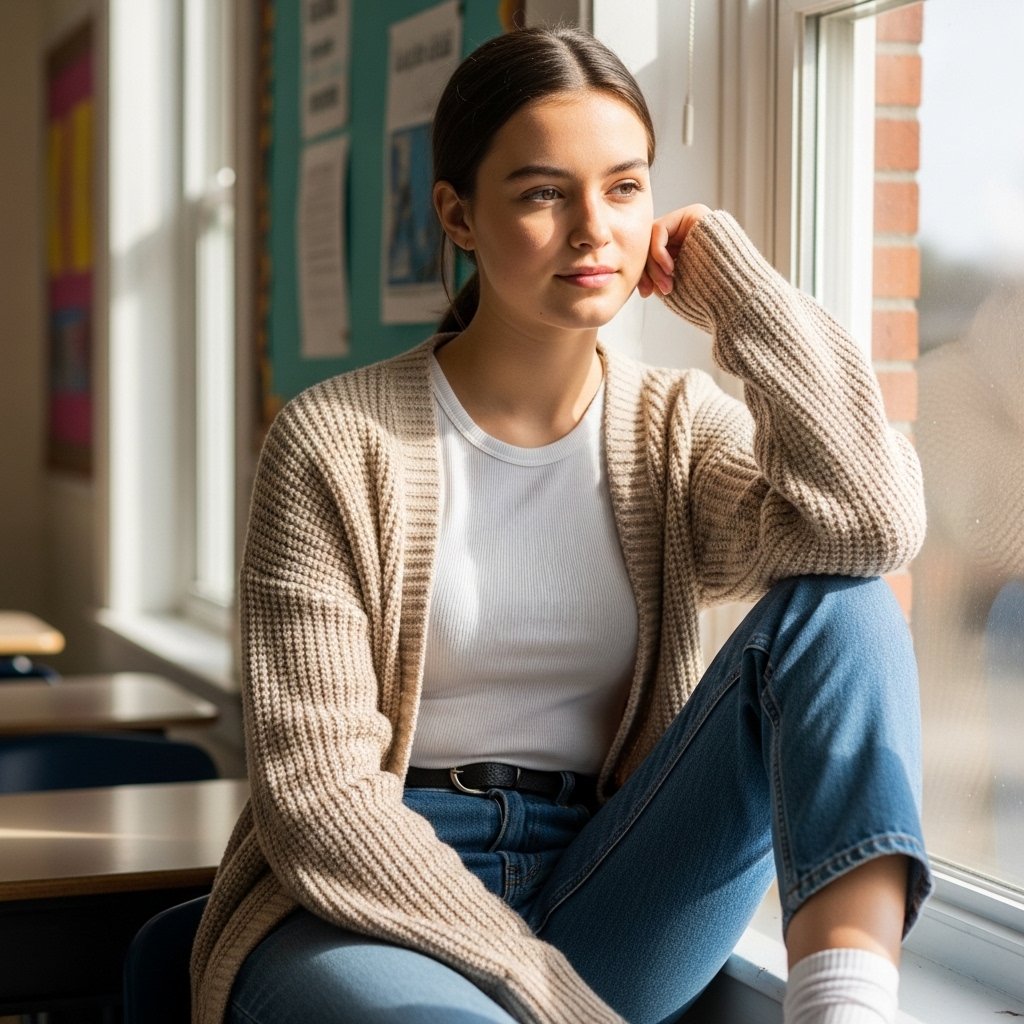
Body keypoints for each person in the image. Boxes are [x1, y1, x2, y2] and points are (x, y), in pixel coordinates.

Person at [192, 26, 932, 1024]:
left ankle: (845, 1006)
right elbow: (321, 804)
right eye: (543, 193)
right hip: (365, 901)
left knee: (842, 611)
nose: (595, 228)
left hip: (605, 877)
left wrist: (736, 294)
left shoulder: (671, 434)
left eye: (625, 188)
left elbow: (870, 523)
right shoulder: (335, 443)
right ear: (456, 214)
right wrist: (539, 986)